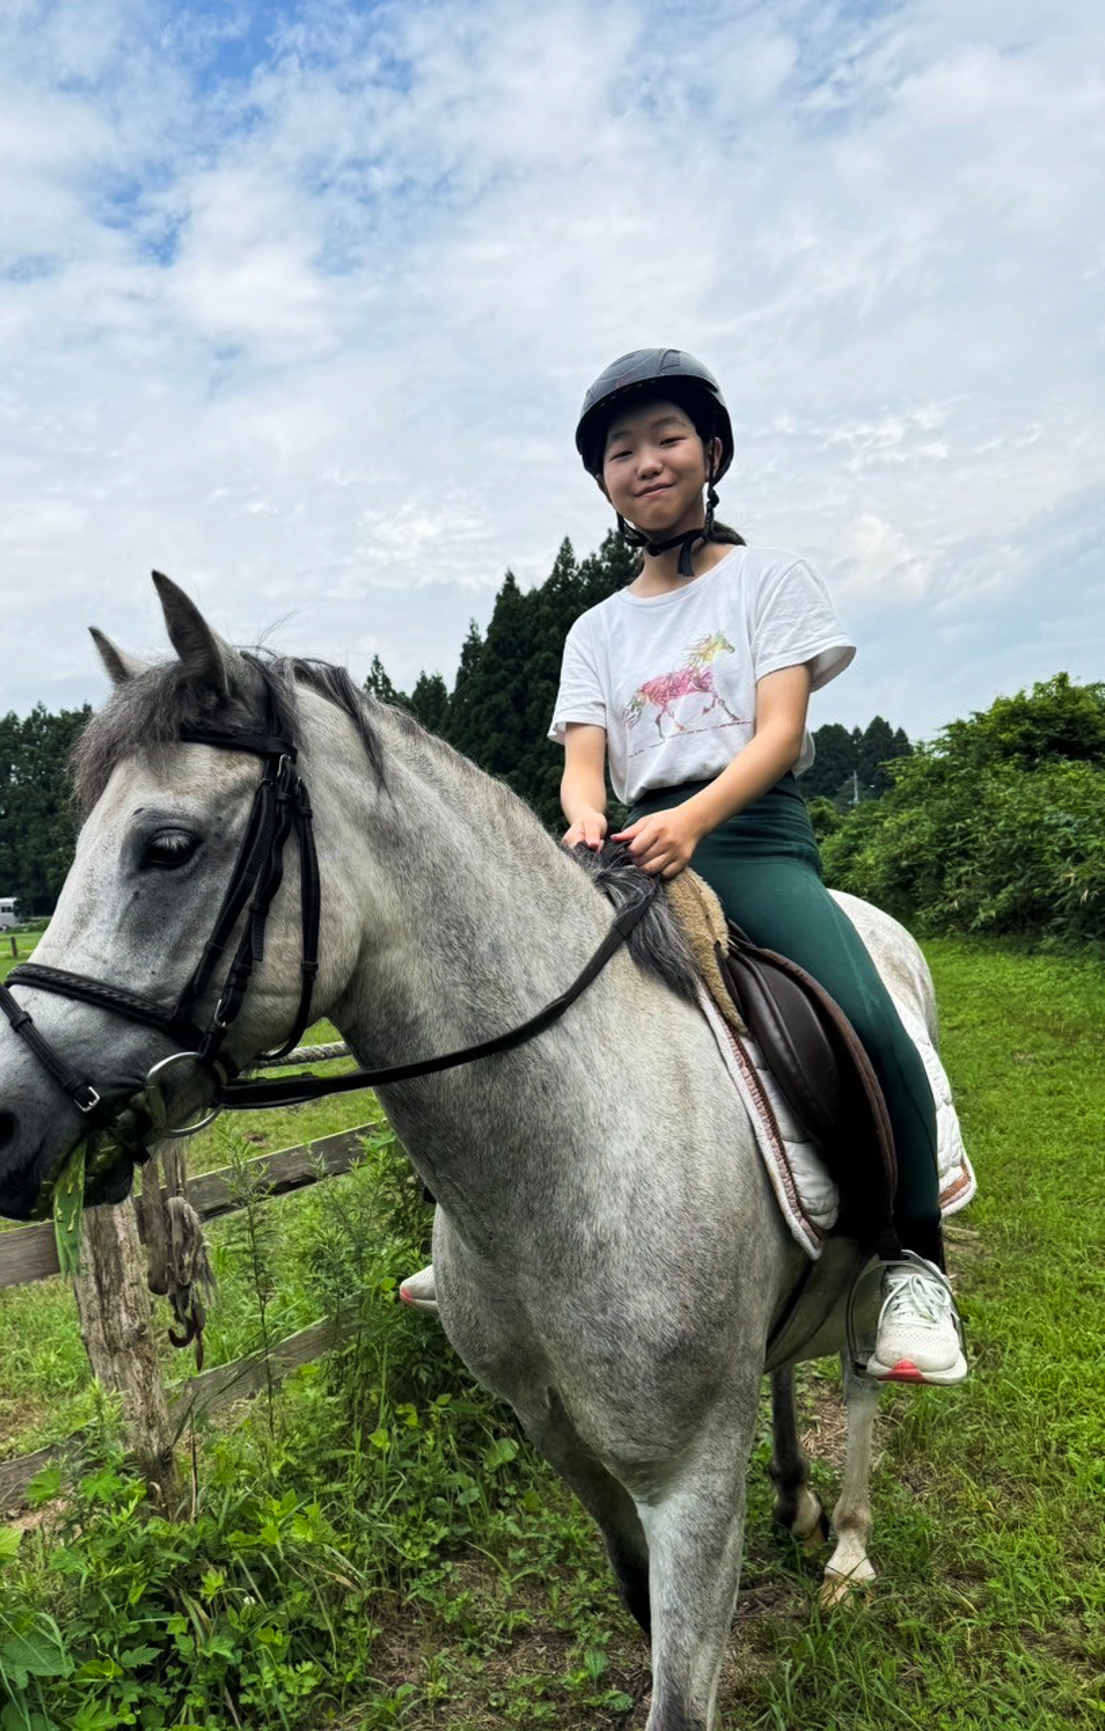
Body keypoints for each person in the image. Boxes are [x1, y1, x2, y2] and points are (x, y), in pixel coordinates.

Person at [401, 347, 965, 1387]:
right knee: (493, 1001)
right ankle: (487, 1245)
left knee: (868, 1013)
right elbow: (584, 769)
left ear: (710, 451)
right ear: (604, 477)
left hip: (747, 833)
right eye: (623, 450)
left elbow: (780, 732)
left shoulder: (769, 581)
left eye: (666, 439)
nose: (646, 462)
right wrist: (582, 825)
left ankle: (910, 1259)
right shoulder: (596, 628)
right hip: (631, 842)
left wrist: (694, 821)